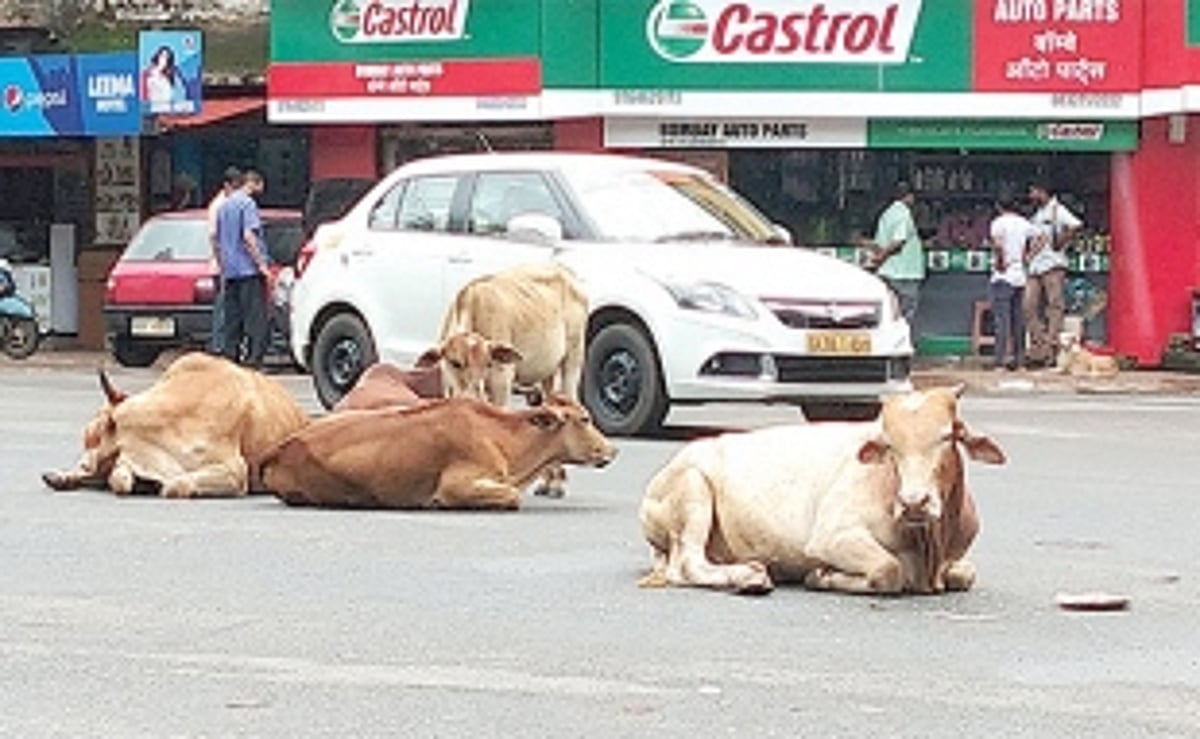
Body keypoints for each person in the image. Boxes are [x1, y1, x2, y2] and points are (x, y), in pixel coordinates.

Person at [215, 170, 270, 369]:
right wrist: (261, 264)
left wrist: (223, 266)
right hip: (248, 271)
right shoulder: (247, 204)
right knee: (255, 318)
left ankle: (231, 358)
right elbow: (248, 236)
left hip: (230, 272)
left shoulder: (223, 207)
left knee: (233, 319)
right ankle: (254, 359)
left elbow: (216, 240)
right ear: (251, 183)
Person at [1024, 181, 1083, 368]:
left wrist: (1060, 242)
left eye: (1034, 191)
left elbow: (1074, 225)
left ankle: (1050, 350)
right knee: (1028, 306)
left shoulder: (1057, 209)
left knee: (1054, 307)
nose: (1031, 195)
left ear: (1043, 192)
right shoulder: (1037, 213)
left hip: (1053, 265)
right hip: (1034, 266)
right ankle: (1038, 346)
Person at [988, 193, 1037, 372]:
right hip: (1020, 276)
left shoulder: (998, 223)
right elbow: (1041, 238)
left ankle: (999, 362)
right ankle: (1020, 361)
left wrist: (1001, 262)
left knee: (1001, 320)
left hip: (1003, 276)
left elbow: (998, 245)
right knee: (1018, 320)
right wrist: (1028, 256)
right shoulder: (1024, 223)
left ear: (998, 207)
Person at [867, 181, 926, 330]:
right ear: (909, 197)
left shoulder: (887, 213)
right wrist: (883, 256)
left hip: (888, 271)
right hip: (904, 273)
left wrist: (878, 254)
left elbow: (879, 242)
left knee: (889, 313)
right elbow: (899, 241)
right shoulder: (903, 214)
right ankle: (900, 346)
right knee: (905, 315)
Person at [207, 166, 242, 355]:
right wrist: (222, 264)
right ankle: (218, 347)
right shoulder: (219, 205)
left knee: (229, 310)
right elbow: (214, 238)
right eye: (235, 187)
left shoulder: (233, 204)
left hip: (230, 265)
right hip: (222, 266)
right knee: (222, 309)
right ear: (227, 185)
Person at [143, 45, 182, 112]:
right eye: (162, 55)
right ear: (158, 56)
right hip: (151, 108)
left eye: (166, 57)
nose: (163, 59)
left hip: (166, 110)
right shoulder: (148, 73)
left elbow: (174, 94)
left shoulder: (169, 76)